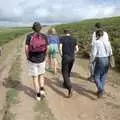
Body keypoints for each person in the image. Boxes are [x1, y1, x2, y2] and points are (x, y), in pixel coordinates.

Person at [25, 22, 48, 101]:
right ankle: (42, 89)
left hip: (32, 60)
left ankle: (38, 95)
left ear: (33, 28)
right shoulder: (44, 36)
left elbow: (26, 48)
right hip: (41, 59)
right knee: (41, 75)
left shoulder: (29, 36)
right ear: (40, 28)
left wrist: (28, 57)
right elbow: (46, 48)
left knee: (35, 77)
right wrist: (45, 56)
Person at [90, 29, 113, 98]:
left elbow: (94, 54)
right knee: (103, 76)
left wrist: (91, 61)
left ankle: (101, 89)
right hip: (107, 59)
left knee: (95, 76)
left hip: (100, 59)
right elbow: (111, 52)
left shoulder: (97, 42)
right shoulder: (107, 42)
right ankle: (100, 92)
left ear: (97, 35)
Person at [59, 29, 79, 98]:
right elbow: (77, 49)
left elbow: (60, 47)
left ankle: (70, 88)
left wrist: (61, 54)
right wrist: (73, 53)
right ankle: (65, 83)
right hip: (72, 57)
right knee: (68, 71)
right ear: (69, 33)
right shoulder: (74, 39)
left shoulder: (62, 38)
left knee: (64, 72)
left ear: (64, 33)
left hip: (65, 57)